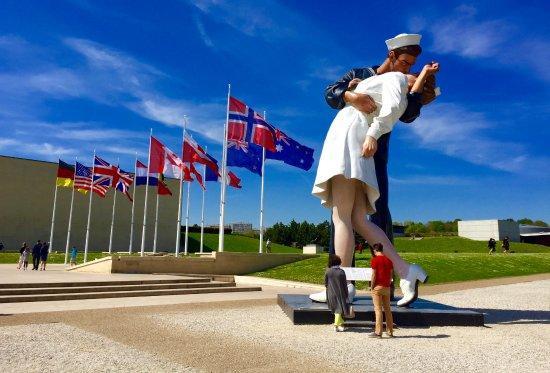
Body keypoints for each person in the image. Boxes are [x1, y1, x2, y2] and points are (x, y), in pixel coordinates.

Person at [315, 33, 439, 307]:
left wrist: (416, 91)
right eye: (405, 63)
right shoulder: (367, 75)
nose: (408, 70)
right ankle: (404, 272)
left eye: (412, 69)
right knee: (358, 219)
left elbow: (400, 110)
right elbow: (331, 92)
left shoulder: (396, 81)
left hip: (357, 146)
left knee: (346, 217)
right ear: (392, 56)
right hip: (360, 145)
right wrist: (352, 93)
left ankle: (341, 284)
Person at [370, 243, 394, 338]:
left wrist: (372, 286)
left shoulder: (375, 260)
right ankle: (390, 331)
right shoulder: (389, 260)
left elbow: (374, 275)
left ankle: (378, 332)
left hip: (377, 287)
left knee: (378, 309)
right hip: (387, 287)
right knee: (388, 309)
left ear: (375, 250)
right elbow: (391, 275)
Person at [325, 254, 354, 332]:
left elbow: (326, 283)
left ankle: (340, 324)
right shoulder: (341, 272)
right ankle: (336, 325)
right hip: (340, 293)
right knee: (338, 310)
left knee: (335, 309)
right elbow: (344, 284)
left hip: (330, 293)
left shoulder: (328, 271)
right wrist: (346, 294)